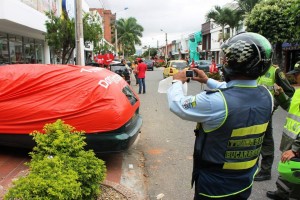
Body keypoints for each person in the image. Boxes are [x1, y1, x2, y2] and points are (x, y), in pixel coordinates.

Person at [167, 32, 274, 199]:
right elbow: (236, 89)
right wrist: (207, 80)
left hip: (214, 187)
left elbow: (178, 105)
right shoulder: (267, 96)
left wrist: (176, 82)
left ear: (232, 63)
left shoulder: (216, 101)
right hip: (245, 182)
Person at [255, 64, 295, 181]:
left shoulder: (274, 70)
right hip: (252, 110)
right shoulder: (253, 68)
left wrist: (274, 104)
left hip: (266, 111)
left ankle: (265, 171)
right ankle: (251, 168)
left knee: (266, 141)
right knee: (251, 139)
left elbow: (289, 91)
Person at [266, 61, 300, 200]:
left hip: (297, 145)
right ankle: (282, 193)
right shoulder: (298, 92)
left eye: (297, 74)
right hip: (290, 140)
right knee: (286, 169)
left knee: (295, 175)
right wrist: (280, 96)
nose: (295, 77)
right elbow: (290, 108)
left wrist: (295, 149)